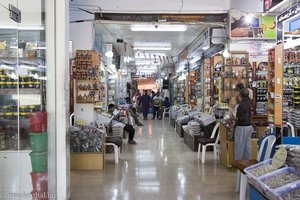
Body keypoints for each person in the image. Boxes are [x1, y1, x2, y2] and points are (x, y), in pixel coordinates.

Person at [234, 89, 253, 160]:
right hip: (249, 126)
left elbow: (241, 118)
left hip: (242, 127)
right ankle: (247, 164)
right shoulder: (248, 103)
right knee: (247, 146)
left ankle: (238, 165)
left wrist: (234, 119)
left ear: (240, 96)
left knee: (239, 146)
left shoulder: (241, 105)